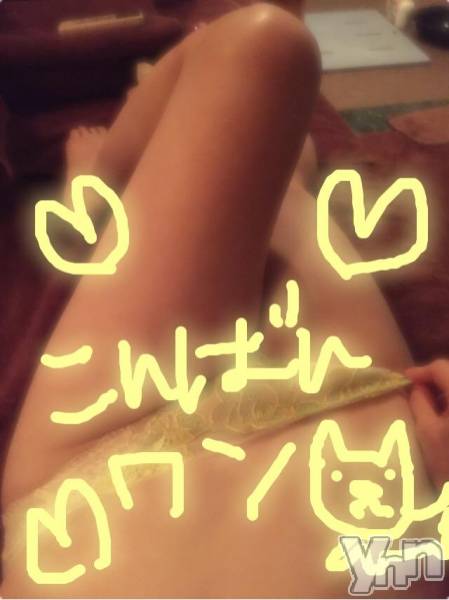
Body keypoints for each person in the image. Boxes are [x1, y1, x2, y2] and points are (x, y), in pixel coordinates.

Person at [1, 3, 448, 597]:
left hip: (108, 475)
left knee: (259, 48)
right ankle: (186, 143)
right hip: (366, 465)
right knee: (272, 95)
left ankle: (107, 179)